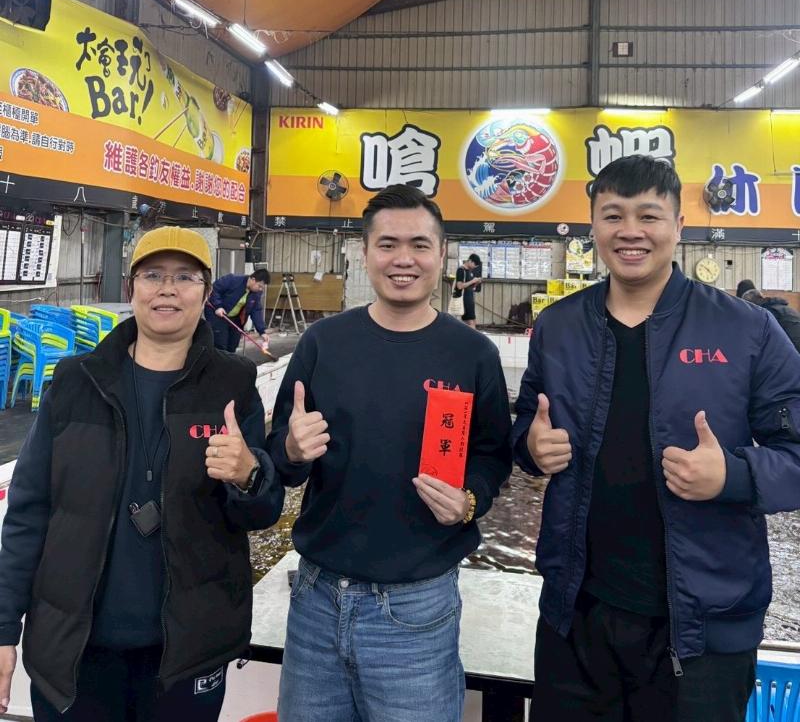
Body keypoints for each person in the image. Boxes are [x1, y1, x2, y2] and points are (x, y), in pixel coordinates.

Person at [513, 155, 800, 722]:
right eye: (613, 215)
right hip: (577, 615)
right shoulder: (559, 326)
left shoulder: (745, 330)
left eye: (649, 215)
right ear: (593, 226)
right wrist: (530, 446)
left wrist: (733, 475)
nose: (631, 231)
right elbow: (526, 420)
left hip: (701, 630)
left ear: (679, 225)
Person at [0, 227, 284, 721]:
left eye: (185, 277)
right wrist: (4, 627)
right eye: (153, 275)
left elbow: (261, 512)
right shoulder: (76, 381)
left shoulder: (232, 383)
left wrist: (250, 476)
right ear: (132, 288)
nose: (167, 289)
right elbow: (28, 512)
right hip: (74, 652)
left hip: (187, 654)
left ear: (206, 291)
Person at [266, 184, 512, 722]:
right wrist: (290, 447)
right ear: (365, 253)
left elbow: (494, 455)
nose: (404, 259)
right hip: (316, 599)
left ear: (441, 254)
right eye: (388, 244)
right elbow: (279, 462)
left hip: (417, 607)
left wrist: (469, 500)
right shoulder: (323, 343)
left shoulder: (472, 353)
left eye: (419, 245)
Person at [204, 267, 271, 354]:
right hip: (217, 314)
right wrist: (218, 306)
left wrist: (262, 331)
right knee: (220, 344)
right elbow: (214, 289)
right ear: (253, 280)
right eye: (260, 286)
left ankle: (229, 361)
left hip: (235, 318)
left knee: (233, 345)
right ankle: (216, 361)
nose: (260, 289)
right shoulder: (232, 280)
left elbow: (256, 310)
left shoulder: (256, 293)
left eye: (262, 287)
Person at [741, 286, 800, 353]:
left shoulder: (765, 312)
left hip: (794, 348)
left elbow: (761, 338)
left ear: (749, 304)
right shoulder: (782, 307)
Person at [454, 253, 482, 329]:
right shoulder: (461, 270)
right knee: (470, 322)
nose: (474, 267)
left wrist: (476, 283)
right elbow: (459, 286)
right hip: (464, 300)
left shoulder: (469, 271)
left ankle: (472, 336)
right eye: (474, 265)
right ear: (470, 261)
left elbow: (470, 287)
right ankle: (471, 336)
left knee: (473, 321)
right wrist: (473, 281)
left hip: (469, 299)